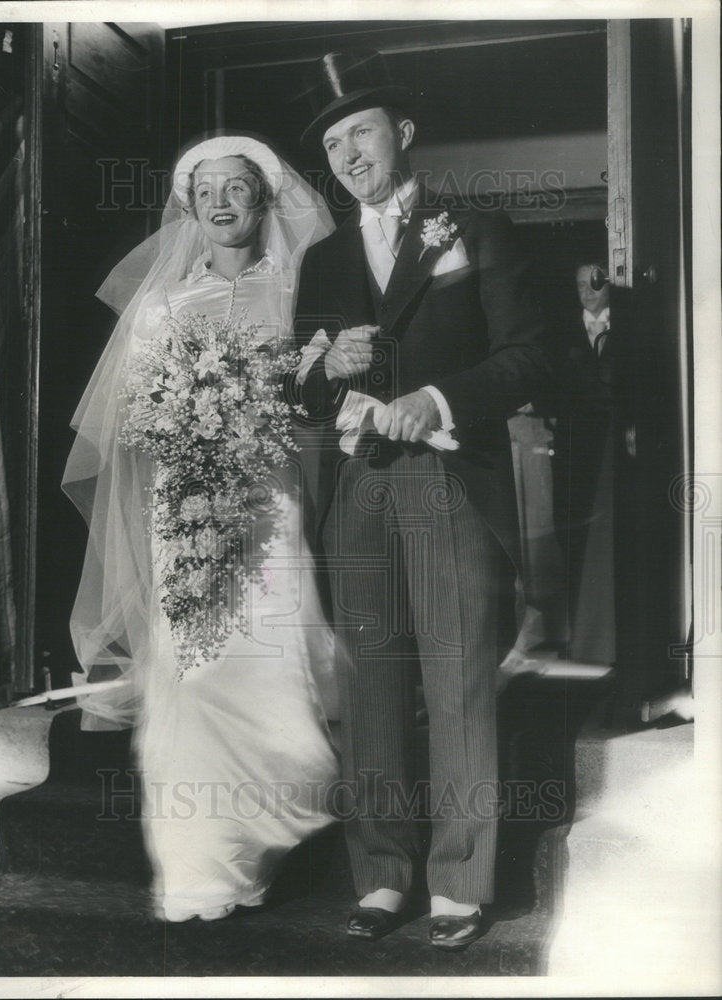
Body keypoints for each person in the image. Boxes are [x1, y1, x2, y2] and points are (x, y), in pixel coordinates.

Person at [293, 49, 550, 950]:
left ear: (402, 134)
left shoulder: (472, 227)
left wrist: (435, 400)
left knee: (458, 684)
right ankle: (382, 876)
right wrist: (327, 368)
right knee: (369, 689)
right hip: (356, 485)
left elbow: (528, 355)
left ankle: (460, 884)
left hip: (445, 476)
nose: (349, 156)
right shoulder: (322, 258)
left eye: (361, 132)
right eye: (333, 145)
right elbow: (298, 388)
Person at [62, 136, 340, 922]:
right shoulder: (162, 304)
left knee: (269, 662)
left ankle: (268, 825)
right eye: (206, 192)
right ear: (190, 207)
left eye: (238, 189)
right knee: (193, 674)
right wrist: (189, 433)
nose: (222, 204)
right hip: (185, 510)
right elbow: (131, 418)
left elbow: (323, 394)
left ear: (264, 199)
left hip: (273, 505)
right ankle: (200, 868)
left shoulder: (298, 287)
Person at [552, 260, 616, 666]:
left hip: (616, 450)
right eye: (578, 285)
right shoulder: (560, 332)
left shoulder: (630, 322)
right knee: (570, 534)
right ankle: (577, 636)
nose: (585, 292)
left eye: (592, 283)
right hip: (574, 450)